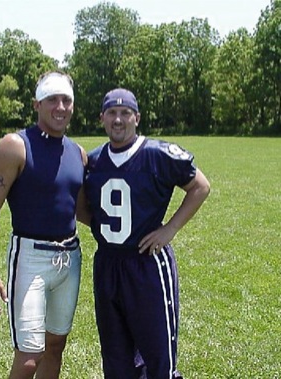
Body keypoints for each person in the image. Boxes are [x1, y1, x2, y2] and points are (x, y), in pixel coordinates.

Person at [78, 88, 210, 379]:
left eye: (125, 113)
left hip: (147, 263)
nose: (118, 119)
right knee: (115, 357)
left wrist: (169, 230)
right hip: (108, 265)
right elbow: (81, 207)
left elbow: (200, 186)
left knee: (158, 356)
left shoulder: (156, 154)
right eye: (112, 112)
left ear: (137, 117)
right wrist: (104, 230)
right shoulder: (95, 160)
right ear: (102, 118)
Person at [0, 70, 86, 379]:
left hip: (70, 258)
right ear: (37, 104)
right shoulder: (15, 146)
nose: (61, 107)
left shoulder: (77, 153)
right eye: (52, 99)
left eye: (67, 100)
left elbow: (81, 210)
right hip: (31, 258)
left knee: (55, 347)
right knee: (28, 358)